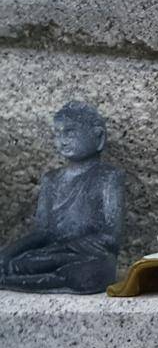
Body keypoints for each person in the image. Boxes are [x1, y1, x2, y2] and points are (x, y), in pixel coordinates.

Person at [0, 102, 125, 294]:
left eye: (70, 132)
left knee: (92, 271)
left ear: (98, 136)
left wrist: (64, 248)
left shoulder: (109, 177)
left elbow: (111, 238)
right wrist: (8, 252)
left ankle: (14, 280)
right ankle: (24, 277)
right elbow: (42, 232)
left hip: (87, 257)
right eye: (57, 134)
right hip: (52, 255)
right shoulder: (51, 180)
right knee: (21, 262)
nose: (62, 140)